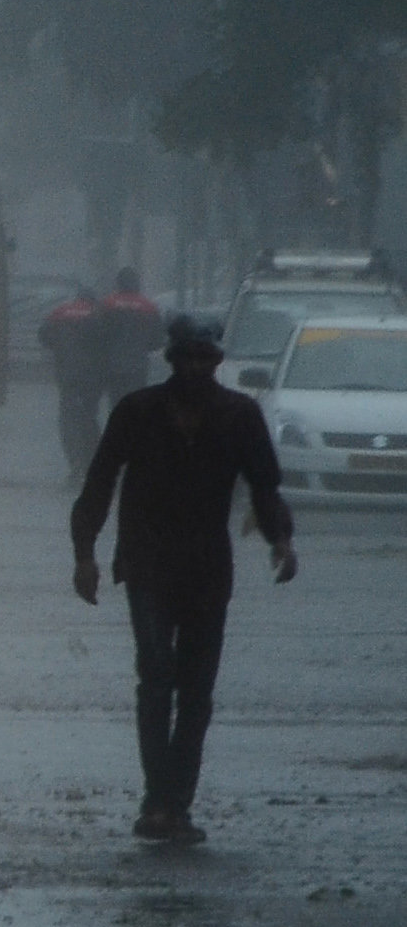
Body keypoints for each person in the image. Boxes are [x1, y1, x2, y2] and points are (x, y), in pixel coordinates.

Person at [67, 314, 297, 844]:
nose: (196, 368)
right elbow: (100, 480)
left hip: (207, 569)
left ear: (216, 363)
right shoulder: (138, 412)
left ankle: (176, 804)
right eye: (188, 359)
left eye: (206, 359)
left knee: (197, 691)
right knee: (155, 678)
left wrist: (281, 540)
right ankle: (158, 801)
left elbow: (264, 486)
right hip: (146, 563)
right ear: (173, 361)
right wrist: (85, 553)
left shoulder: (240, 416)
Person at [44, 268, 165, 479]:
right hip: (136, 371)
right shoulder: (149, 307)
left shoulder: (105, 305)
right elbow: (157, 340)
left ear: (118, 283)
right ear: (136, 284)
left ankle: (97, 460)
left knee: (100, 415)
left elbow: (95, 334)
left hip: (108, 369)